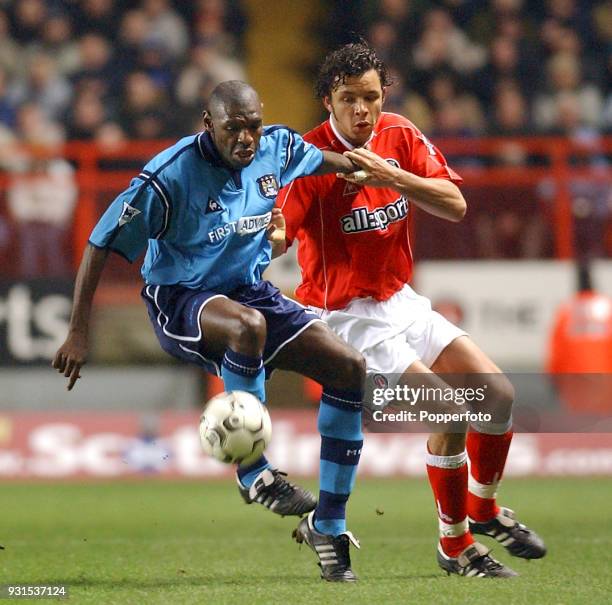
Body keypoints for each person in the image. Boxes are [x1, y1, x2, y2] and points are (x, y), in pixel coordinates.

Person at [53, 81, 366, 582]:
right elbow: (99, 243)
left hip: (249, 291)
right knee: (247, 328)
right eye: (232, 128)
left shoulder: (276, 147)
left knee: (350, 368)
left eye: (252, 126)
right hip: (179, 300)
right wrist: (77, 332)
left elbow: (328, 159)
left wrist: (371, 167)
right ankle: (254, 473)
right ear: (209, 124)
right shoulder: (169, 177)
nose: (245, 138)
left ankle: (328, 525)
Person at [278, 43, 546, 578]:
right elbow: (280, 230)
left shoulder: (399, 134)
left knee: (497, 396)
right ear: (327, 100)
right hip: (349, 319)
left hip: (402, 301)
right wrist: (262, 237)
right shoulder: (309, 160)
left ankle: (485, 510)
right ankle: (455, 546)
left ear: (384, 97)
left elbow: (455, 202)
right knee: (449, 414)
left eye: (371, 98)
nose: (362, 111)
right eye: (348, 99)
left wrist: (393, 178)